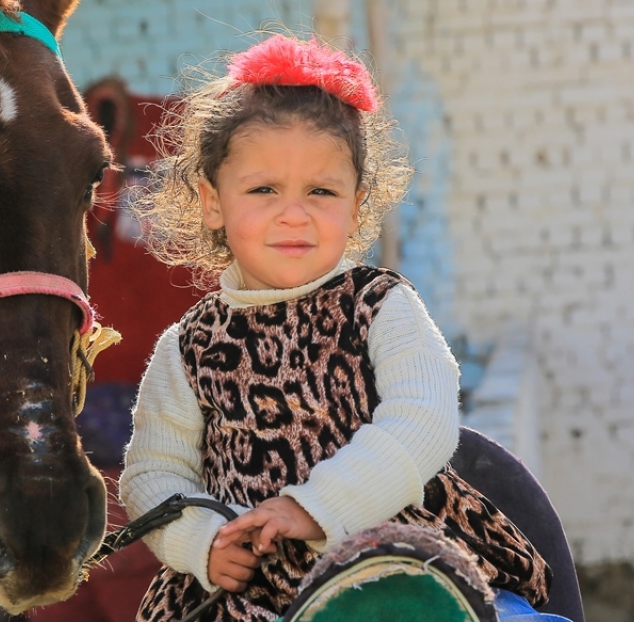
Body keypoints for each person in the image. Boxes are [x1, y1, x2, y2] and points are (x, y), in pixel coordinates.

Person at [119, 34, 557, 621]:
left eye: (321, 191)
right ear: (212, 201)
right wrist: (201, 542)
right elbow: (153, 472)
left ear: (355, 205)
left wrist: (314, 507)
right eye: (263, 189)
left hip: (391, 561)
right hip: (244, 594)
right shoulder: (188, 347)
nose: (293, 213)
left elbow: (423, 419)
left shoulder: (380, 306)